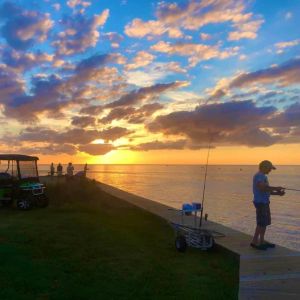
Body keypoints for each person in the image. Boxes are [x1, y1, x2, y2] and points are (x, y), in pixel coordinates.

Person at [251, 160, 285, 250]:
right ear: (265, 167)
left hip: (265, 202)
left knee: (264, 223)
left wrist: (277, 193)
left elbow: (266, 190)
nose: (270, 170)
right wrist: (276, 188)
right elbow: (262, 188)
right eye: (270, 169)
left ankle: (261, 241)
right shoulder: (259, 176)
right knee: (261, 223)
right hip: (260, 202)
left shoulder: (263, 176)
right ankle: (254, 242)